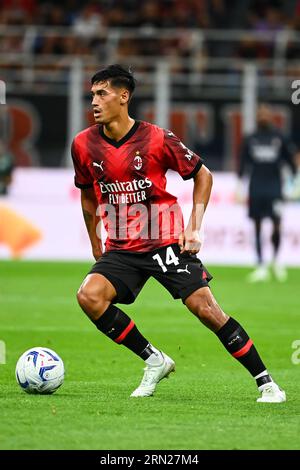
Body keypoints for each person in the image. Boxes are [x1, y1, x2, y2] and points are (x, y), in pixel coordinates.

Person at [72, 64, 285, 402]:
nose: (94, 102)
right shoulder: (83, 145)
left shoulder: (156, 138)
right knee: (89, 296)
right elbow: (87, 193)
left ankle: (267, 383)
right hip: (122, 247)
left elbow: (204, 175)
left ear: (123, 96)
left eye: (102, 93)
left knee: (206, 309)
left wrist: (193, 227)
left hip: (165, 241)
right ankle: (154, 360)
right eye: (92, 95)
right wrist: (96, 242)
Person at [238, 103, 296, 283]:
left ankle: (276, 261)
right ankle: (261, 265)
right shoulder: (251, 138)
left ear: (270, 116)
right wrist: (239, 186)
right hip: (256, 188)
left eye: (266, 113)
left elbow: (290, 161)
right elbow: (243, 164)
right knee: (256, 226)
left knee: (277, 225)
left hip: (275, 188)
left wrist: (293, 182)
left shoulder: (279, 137)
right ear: (257, 116)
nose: (263, 116)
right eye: (260, 114)